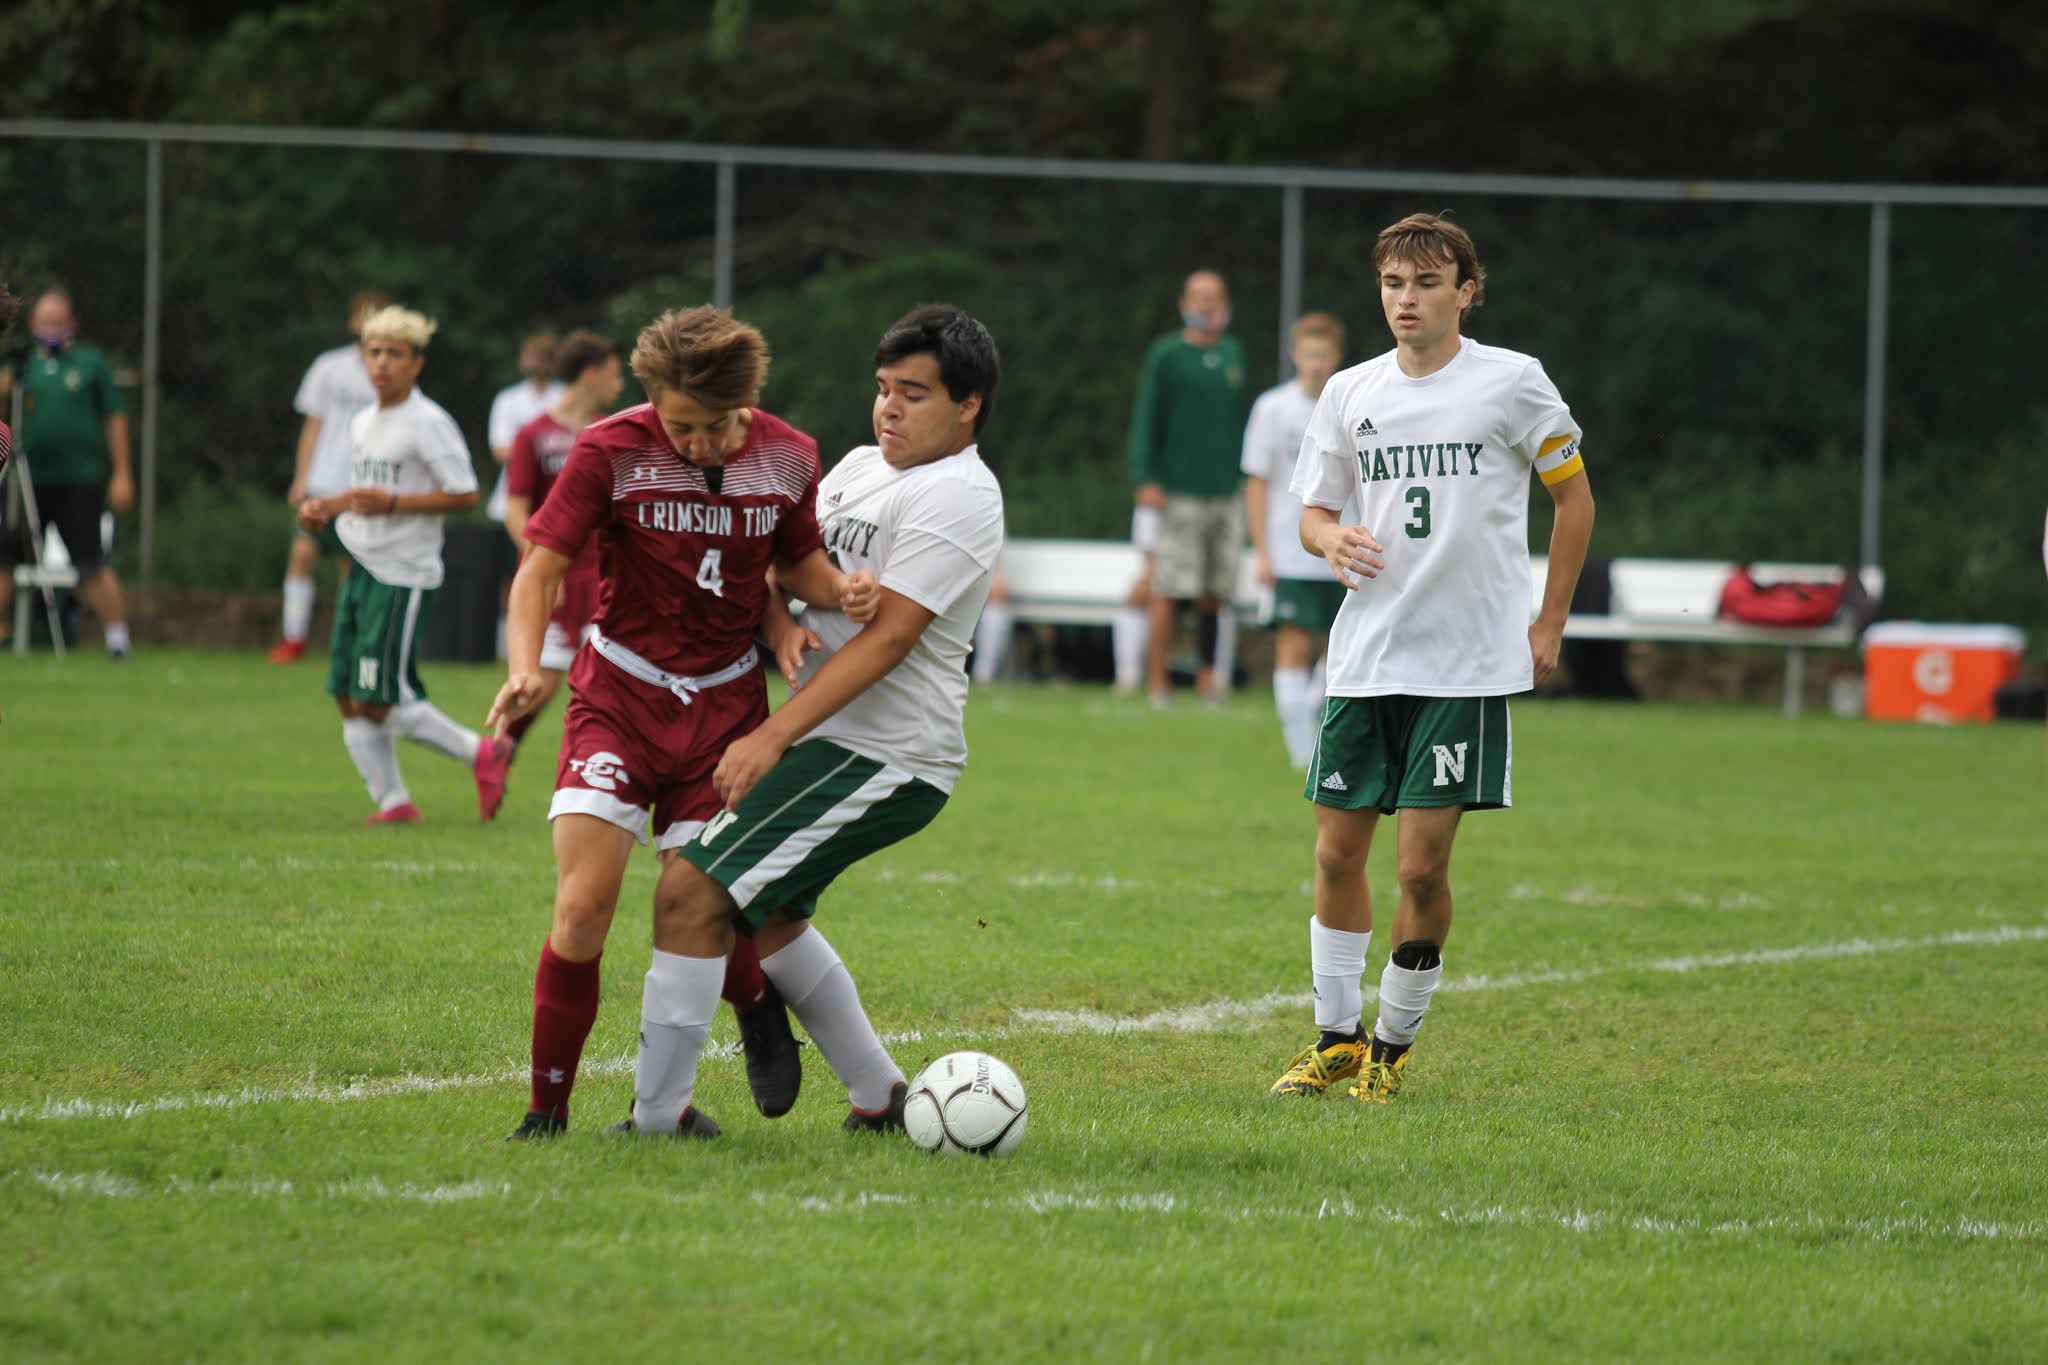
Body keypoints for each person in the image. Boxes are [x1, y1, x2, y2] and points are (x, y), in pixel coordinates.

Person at [485, 305, 881, 1140]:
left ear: (748, 404)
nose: (694, 444)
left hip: (725, 709)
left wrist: (837, 588)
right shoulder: (610, 450)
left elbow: (795, 559)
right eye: (677, 427)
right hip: (618, 696)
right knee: (584, 905)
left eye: (711, 428)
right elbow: (540, 569)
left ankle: (750, 1009)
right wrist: (525, 666)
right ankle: (545, 1113)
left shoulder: (788, 454)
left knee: (699, 897)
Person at [622, 303, 1003, 1140]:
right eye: (882, 389)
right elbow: (780, 567)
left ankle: (657, 1121)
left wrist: (771, 733)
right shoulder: (860, 466)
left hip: (887, 752)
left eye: (914, 393)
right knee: (777, 915)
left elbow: (891, 638)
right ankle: (881, 1099)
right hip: (837, 739)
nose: (889, 409)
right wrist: (781, 625)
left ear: (968, 404)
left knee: (690, 890)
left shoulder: (963, 494)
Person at [1269, 213, 1595, 1104]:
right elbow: (1311, 514)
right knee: (1337, 853)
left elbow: (1574, 502)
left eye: (1425, 284)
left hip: (1465, 665)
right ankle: (1336, 1038)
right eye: (1392, 285)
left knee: (1419, 867)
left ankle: (1394, 1044)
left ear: (1466, 291)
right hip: (1368, 656)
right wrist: (1331, 537)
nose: (1405, 301)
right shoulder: (1349, 391)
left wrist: (1549, 619)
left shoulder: (1512, 383)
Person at [295, 305, 515, 825]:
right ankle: (395, 804)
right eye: (374, 352)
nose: (382, 363)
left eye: (395, 354)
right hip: (362, 567)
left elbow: (464, 494)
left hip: (402, 575)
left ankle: (482, 753)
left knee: (380, 700)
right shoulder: (363, 420)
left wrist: (395, 507)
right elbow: (370, 489)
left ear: (417, 363)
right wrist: (326, 506)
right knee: (348, 696)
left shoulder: (430, 422)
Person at [1128, 269, 1250, 706]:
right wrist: (1147, 477)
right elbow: (1147, 418)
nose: (1207, 306)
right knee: (1167, 588)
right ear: (1184, 304)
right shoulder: (1166, 355)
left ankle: (1206, 679)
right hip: (1177, 491)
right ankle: (1158, 682)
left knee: (1214, 592)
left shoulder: (1234, 354)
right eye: (1199, 298)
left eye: (1214, 298)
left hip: (1225, 491)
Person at [500, 329, 626, 751]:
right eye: (613, 373)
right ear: (589, 374)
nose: (619, 383)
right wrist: (537, 567)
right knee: (543, 680)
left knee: (605, 679)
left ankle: (594, 766)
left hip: (601, 575)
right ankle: (498, 752)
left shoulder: (610, 435)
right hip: (555, 574)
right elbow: (515, 509)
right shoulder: (534, 433)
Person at [0, 289, 134, 658]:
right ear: (31, 325)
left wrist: (122, 472)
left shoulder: (90, 364)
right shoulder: (22, 367)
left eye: (58, 322)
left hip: (78, 479)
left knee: (90, 562)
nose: (52, 329)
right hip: (25, 480)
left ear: (72, 323)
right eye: (45, 322)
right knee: (5, 557)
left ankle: (118, 641)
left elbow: (115, 418)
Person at [1242, 312, 1347, 767]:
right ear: (1294, 356)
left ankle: (1316, 724)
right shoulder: (1272, 409)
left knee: (1341, 647)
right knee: (1294, 643)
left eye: (1323, 355)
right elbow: (1257, 481)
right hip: (1290, 551)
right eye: (1308, 355)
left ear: (1336, 358)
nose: (1316, 364)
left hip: (1341, 547)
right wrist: (1262, 549)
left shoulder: (1352, 403)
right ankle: (1300, 755)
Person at [270, 289, 388, 664]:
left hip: (363, 482)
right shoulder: (329, 366)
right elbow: (313, 425)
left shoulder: (388, 371)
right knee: (303, 552)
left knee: (352, 563)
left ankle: (348, 642)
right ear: (353, 321)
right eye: (363, 316)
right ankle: (294, 638)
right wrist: (301, 478)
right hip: (323, 479)